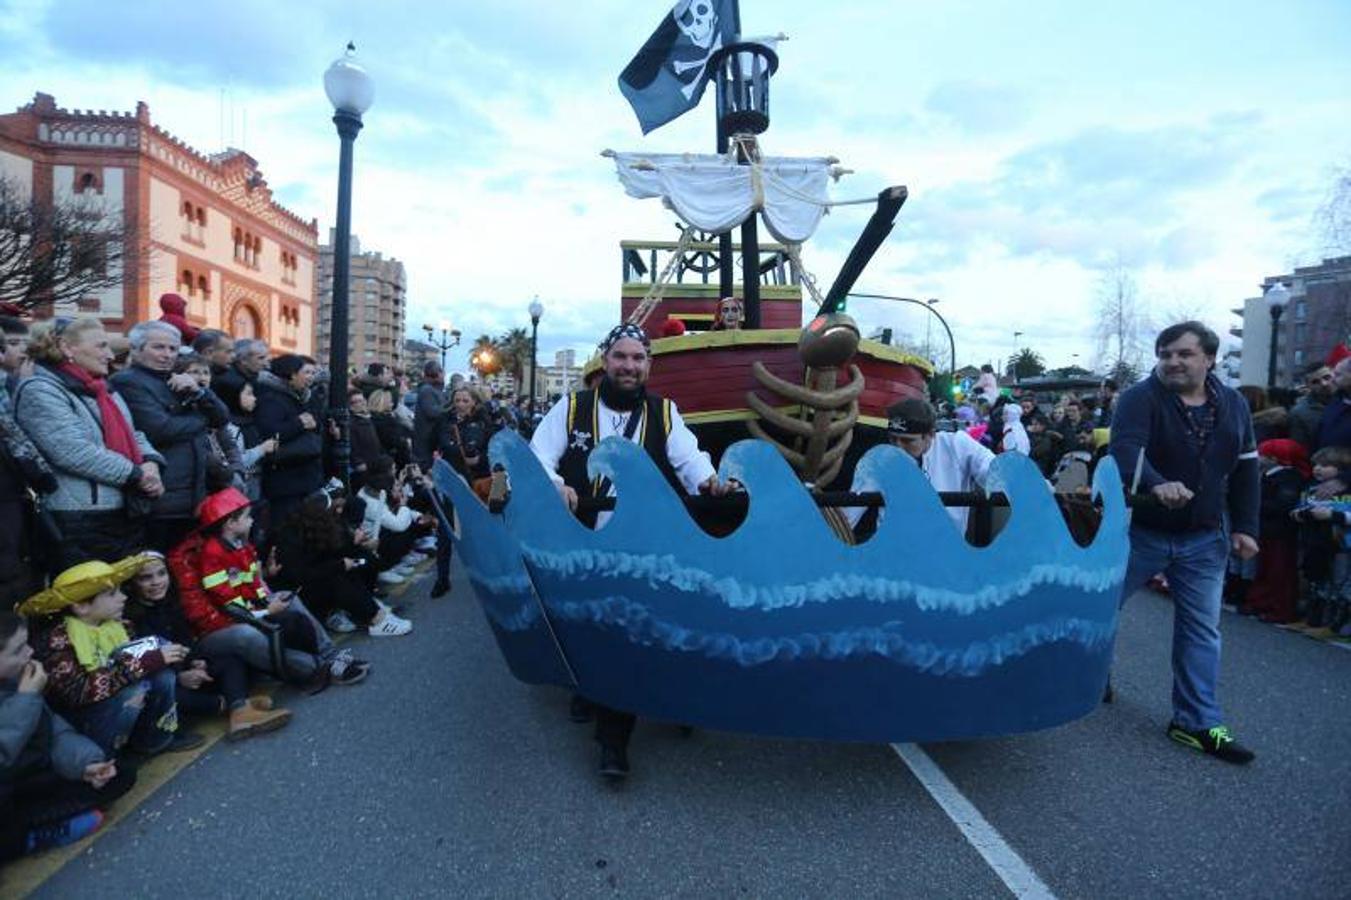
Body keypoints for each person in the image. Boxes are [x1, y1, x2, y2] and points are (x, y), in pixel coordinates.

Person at [530, 323, 734, 780]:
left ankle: (622, 733)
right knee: (596, 629)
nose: (629, 366)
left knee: (644, 629)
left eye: (638, 358)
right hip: (585, 544)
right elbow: (537, 457)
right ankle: (604, 717)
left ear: (648, 364)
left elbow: (690, 460)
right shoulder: (572, 407)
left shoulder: (665, 413)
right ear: (606, 361)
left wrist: (710, 481)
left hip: (645, 548)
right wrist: (556, 483)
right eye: (621, 357)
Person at [1109, 321, 1259, 764]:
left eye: (1183, 354)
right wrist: (1157, 482)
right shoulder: (1141, 397)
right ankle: (1085, 678)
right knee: (1099, 611)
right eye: (1165, 353)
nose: (1172, 361)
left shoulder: (1233, 404)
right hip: (1140, 531)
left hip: (1203, 538)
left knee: (1201, 631)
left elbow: (1247, 468)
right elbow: (1125, 449)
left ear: (1209, 358)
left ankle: (1195, 722)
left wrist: (1246, 527)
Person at [176, 487, 370, 687]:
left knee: (288, 597)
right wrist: (266, 610)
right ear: (231, 523)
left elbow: (250, 584)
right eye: (247, 517)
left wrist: (266, 600)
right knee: (248, 634)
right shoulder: (213, 553)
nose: (252, 521)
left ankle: (330, 654)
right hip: (223, 623)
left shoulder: (238, 544)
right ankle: (318, 668)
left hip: (243, 610)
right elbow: (227, 602)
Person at [13, 318, 165, 567]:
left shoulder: (102, 388)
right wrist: (136, 475)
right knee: (89, 602)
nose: (109, 355)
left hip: (121, 510)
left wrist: (151, 463)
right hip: (78, 519)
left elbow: (133, 432)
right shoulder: (40, 389)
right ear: (66, 347)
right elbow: (73, 451)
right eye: (101, 346)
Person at [19, 556, 204, 757]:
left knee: (163, 677)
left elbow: (136, 661)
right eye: (112, 593)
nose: (123, 597)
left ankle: (153, 741)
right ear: (81, 606)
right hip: (82, 719)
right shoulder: (58, 641)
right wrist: (147, 661)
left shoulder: (120, 626)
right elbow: (78, 693)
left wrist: (169, 656)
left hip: (115, 702)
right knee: (134, 691)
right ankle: (104, 756)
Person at [0, 610, 136, 861]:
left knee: (121, 774)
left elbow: (53, 730)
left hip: (30, 775)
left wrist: (85, 764)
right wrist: (26, 699)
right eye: (18, 650)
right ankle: (27, 839)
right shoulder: (24, 689)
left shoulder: (17, 678)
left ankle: (32, 821)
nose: (30, 653)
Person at [123, 553, 292, 740]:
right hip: (166, 681)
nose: (156, 582)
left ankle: (239, 709)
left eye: (161, 574)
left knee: (228, 659)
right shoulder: (130, 619)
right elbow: (143, 668)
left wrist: (195, 662)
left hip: (187, 670)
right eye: (146, 578)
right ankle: (235, 706)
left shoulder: (170, 602)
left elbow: (185, 642)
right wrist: (180, 676)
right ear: (132, 583)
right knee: (168, 689)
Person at [111, 322, 230, 552]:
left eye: (173, 349)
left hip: (191, 496)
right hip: (158, 499)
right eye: (159, 347)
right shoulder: (127, 381)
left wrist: (199, 392)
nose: (167, 355)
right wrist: (202, 419)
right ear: (136, 349)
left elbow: (222, 417)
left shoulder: (176, 379)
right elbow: (161, 429)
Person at [273, 490, 413, 637]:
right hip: (301, 593)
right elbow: (304, 574)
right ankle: (376, 620)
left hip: (317, 576)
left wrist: (356, 545)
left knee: (364, 559)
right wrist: (340, 564)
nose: (339, 511)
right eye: (335, 508)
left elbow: (335, 550)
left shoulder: (316, 527)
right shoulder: (291, 538)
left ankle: (368, 605)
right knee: (337, 576)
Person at [853, 397, 997, 536]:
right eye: (893, 439)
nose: (897, 447)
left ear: (930, 435)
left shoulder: (957, 445)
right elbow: (848, 513)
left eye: (907, 441)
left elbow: (997, 472)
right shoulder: (880, 458)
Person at [1238, 440, 1308, 624]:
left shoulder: (1288, 478)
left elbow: (1283, 504)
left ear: (1274, 458)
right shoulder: (1268, 475)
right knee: (1265, 568)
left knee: (1279, 571)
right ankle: (1261, 601)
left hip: (1280, 531)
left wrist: (1253, 505)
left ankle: (1280, 608)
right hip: (1267, 529)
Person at [253, 354, 324, 529]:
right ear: (292, 374)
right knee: (286, 530)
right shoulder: (271, 398)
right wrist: (300, 423)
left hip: (303, 477)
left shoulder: (299, 396)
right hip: (286, 480)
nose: (310, 378)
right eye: (305, 372)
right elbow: (269, 432)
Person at [1289, 362, 1335, 451]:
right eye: (1315, 382)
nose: (1324, 384)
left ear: (1334, 375)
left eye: (1327, 377)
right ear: (1308, 386)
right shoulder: (1299, 413)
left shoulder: (1346, 400)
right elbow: (1301, 449)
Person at [412, 361, 446, 472]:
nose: (444, 374)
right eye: (441, 371)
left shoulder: (434, 390)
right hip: (426, 442)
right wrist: (450, 410)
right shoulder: (427, 390)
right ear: (436, 374)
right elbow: (432, 412)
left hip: (430, 441)